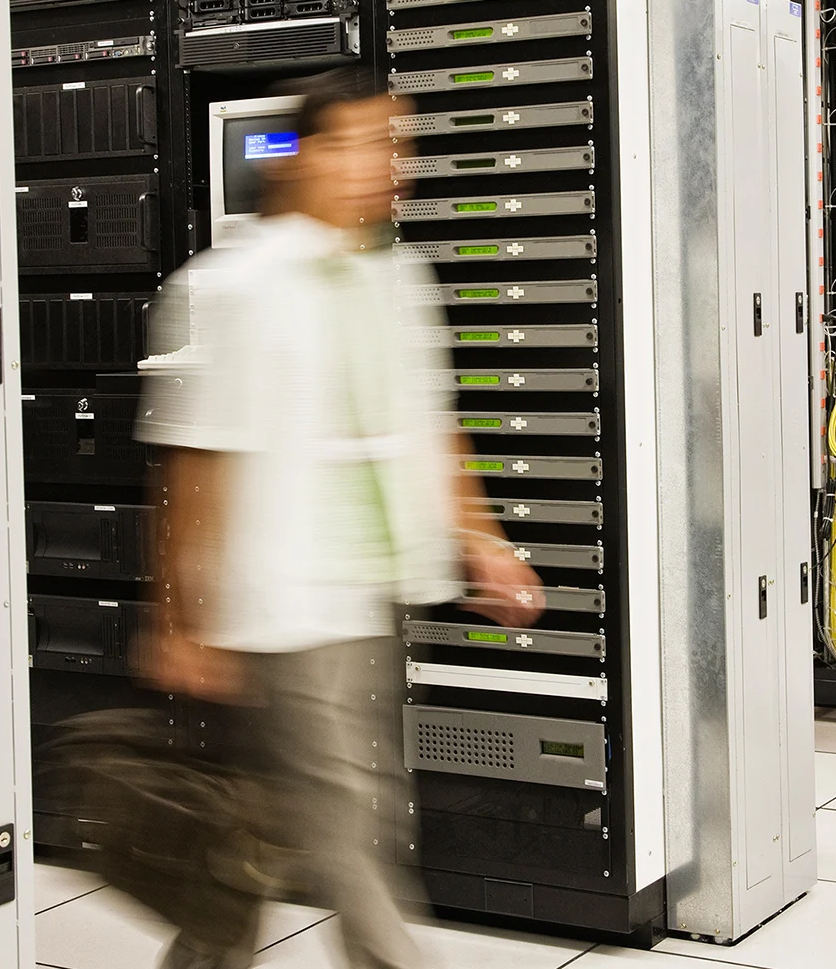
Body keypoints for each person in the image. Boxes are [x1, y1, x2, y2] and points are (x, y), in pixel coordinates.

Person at [134, 67, 545, 969]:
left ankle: (204, 955)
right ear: (301, 157)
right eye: (358, 145)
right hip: (279, 595)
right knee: (345, 809)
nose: (381, 167)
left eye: (395, 147)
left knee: (282, 815)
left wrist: (482, 541)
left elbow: (434, 425)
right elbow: (194, 465)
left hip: (372, 587)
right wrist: (177, 617)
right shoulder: (229, 286)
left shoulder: (399, 277)